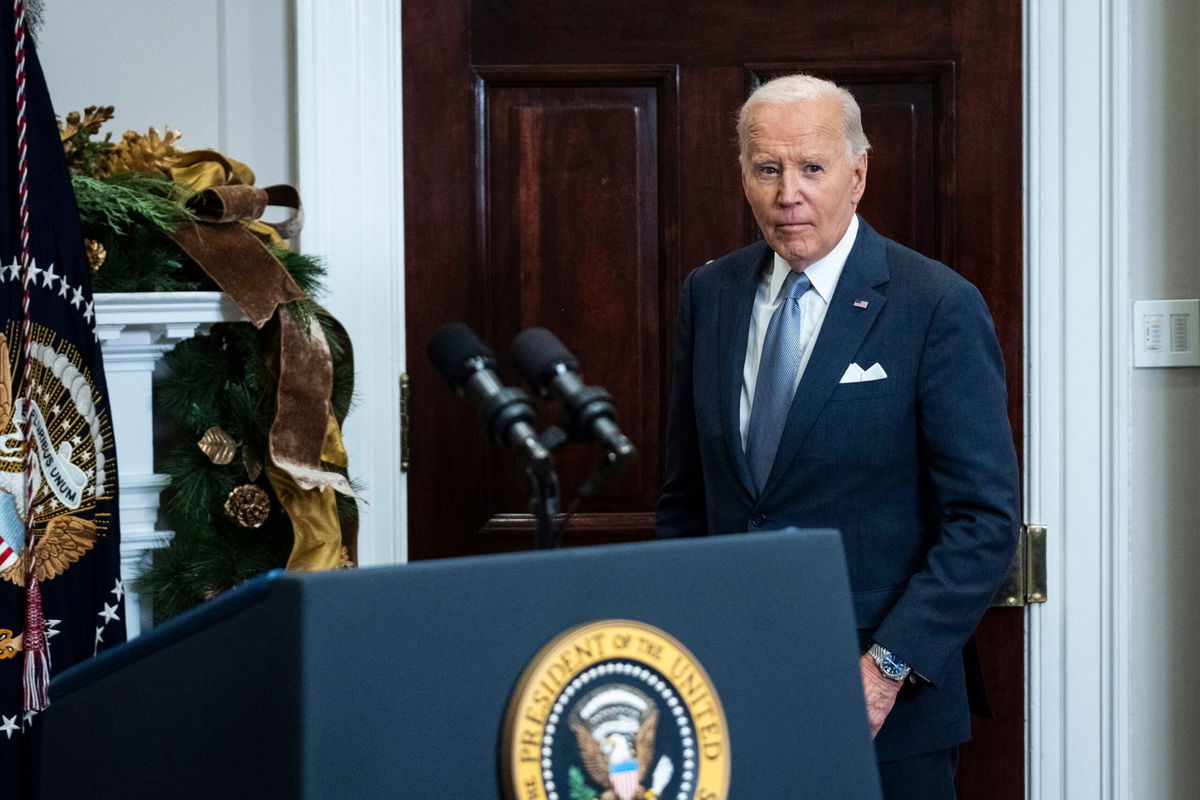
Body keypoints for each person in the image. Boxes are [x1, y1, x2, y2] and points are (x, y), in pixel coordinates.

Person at [655, 74, 1020, 799]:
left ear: (857, 175)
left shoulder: (936, 305)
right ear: (745, 177)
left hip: (887, 706)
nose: (788, 191)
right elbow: (687, 495)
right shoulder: (711, 294)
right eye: (768, 168)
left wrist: (884, 672)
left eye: (812, 168)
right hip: (730, 688)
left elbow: (984, 520)